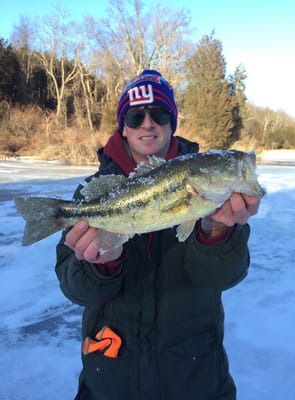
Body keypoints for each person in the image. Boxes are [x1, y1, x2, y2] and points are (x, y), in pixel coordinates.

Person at [55, 69, 261, 400]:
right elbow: (75, 288)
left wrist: (216, 231)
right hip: (110, 380)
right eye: (136, 116)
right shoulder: (92, 192)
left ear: (171, 123)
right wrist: (101, 263)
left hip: (196, 379)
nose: (148, 124)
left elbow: (224, 276)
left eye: (159, 114)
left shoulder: (217, 198)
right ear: (123, 126)